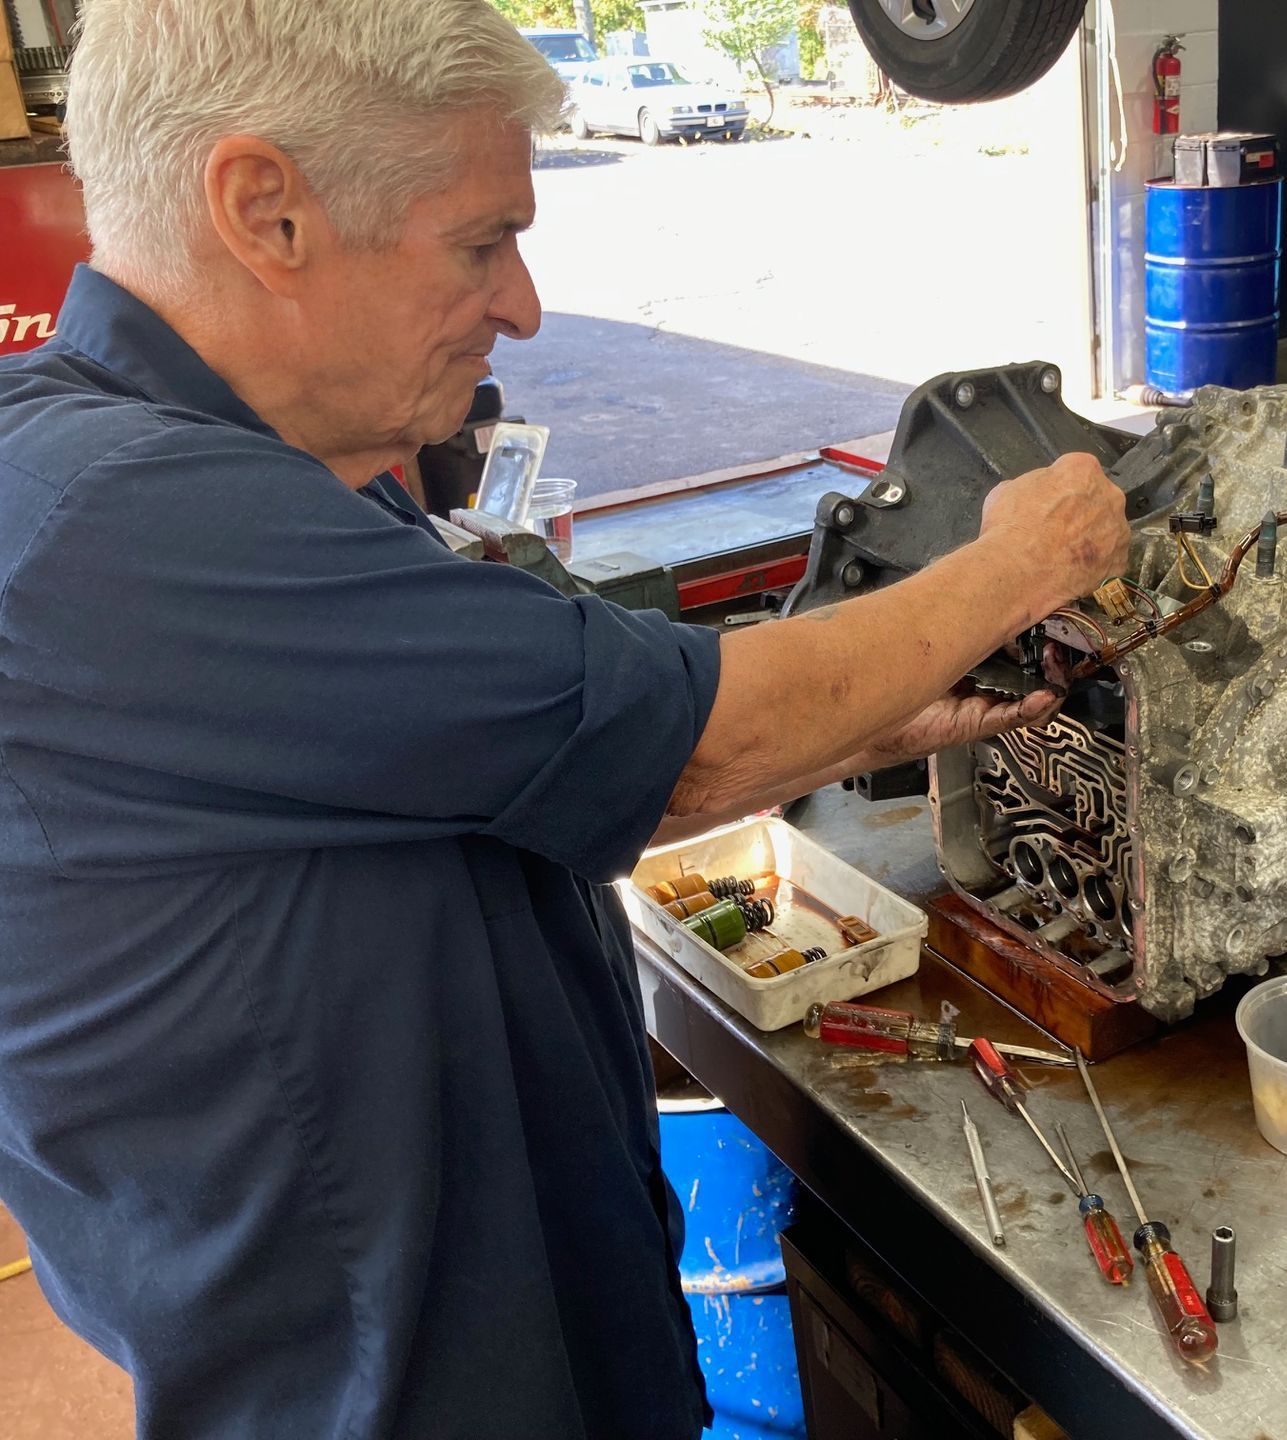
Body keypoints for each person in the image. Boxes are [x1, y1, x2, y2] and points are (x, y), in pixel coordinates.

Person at [0, 2, 1131, 1436]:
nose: (523, 307)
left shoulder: (265, 478)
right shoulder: (122, 525)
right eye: (483, 242)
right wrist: (1021, 562)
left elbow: (539, 771)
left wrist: (870, 723)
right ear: (264, 211)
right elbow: (696, 736)